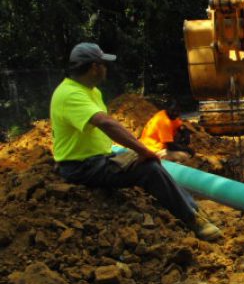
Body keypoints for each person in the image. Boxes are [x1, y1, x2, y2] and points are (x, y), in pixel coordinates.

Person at [50, 42, 221, 241]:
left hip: (96, 159)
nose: (106, 69)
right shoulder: (71, 94)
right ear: (95, 67)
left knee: (148, 162)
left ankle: (193, 208)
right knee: (149, 168)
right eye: (103, 64)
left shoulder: (91, 91)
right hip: (82, 166)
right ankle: (193, 220)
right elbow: (106, 124)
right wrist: (144, 150)